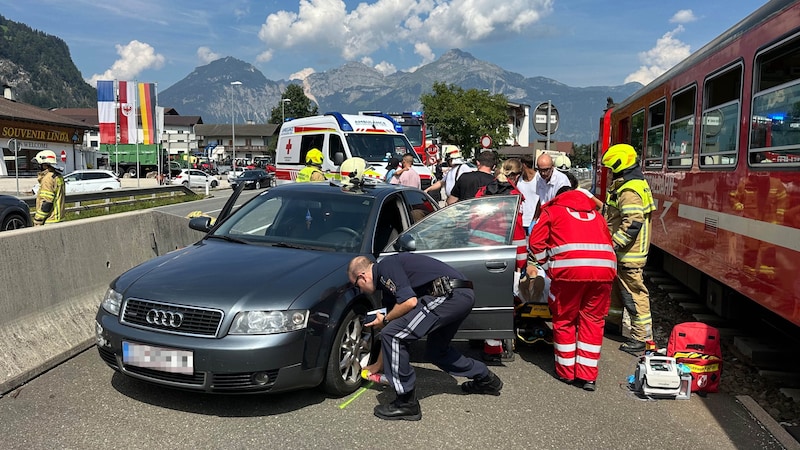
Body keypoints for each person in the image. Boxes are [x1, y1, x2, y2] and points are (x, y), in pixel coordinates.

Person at [348, 254, 503, 421]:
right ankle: (485, 378)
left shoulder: (386, 266)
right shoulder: (387, 289)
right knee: (436, 352)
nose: (360, 290)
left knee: (392, 334)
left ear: (362, 276)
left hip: (448, 295)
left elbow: (409, 302)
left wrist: (385, 320)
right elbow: (394, 329)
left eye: (357, 285)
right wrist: (378, 365)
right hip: (458, 295)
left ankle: (406, 403)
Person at [528, 184, 617, 391]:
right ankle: (588, 376)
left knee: (565, 318)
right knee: (593, 320)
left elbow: (536, 242)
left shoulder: (552, 211)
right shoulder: (596, 215)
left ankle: (567, 372)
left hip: (569, 273)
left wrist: (548, 266)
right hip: (604, 272)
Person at [602, 143, 657, 355]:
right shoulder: (630, 184)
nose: (611, 172)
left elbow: (633, 223)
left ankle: (641, 337)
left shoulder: (629, 190)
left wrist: (613, 243)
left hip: (629, 253)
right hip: (624, 252)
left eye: (612, 168)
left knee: (634, 294)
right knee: (616, 290)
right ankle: (613, 322)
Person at [472, 158, 527, 362]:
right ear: (516, 175)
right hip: (501, 256)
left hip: (477, 251)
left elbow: (472, 221)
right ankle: (493, 349)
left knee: (480, 298)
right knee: (499, 302)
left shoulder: (482, 191)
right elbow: (518, 233)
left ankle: (476, 336)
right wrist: (522, 263)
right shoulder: (513, 196)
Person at [32, 150, 65, 226]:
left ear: (45, 165)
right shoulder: (57, 176)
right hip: (59, 218)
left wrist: (38, 219)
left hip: (50, 220)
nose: (38, 167)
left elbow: (47, 202)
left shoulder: (48, 179)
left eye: (39, 164)